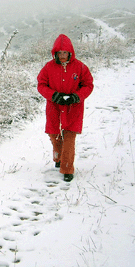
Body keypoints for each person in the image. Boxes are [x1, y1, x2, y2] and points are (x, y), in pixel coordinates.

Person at [37, 34, 94, 182]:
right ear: (55, 53)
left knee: (69, 137)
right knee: (54, 134)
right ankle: (59, 157)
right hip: (54, 107)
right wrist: (53, 95)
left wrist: (77, 96)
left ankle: (67, 168)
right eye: (60, 52)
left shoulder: (80, 67)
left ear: (70, 52)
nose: (62, 55)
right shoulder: (48, 67)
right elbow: (41, 84)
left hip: (73, 108)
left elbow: (88, 85)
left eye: (65, 52)